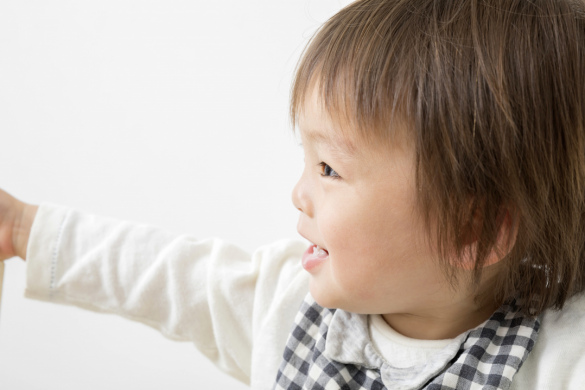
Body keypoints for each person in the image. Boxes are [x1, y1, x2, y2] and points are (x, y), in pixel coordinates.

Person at [3, 0, 585, 388]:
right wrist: (26, 230)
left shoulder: (560, 361)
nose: (299, 193)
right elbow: (164, 274)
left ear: (471, 231)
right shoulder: (285, 307)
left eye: (329, 168)